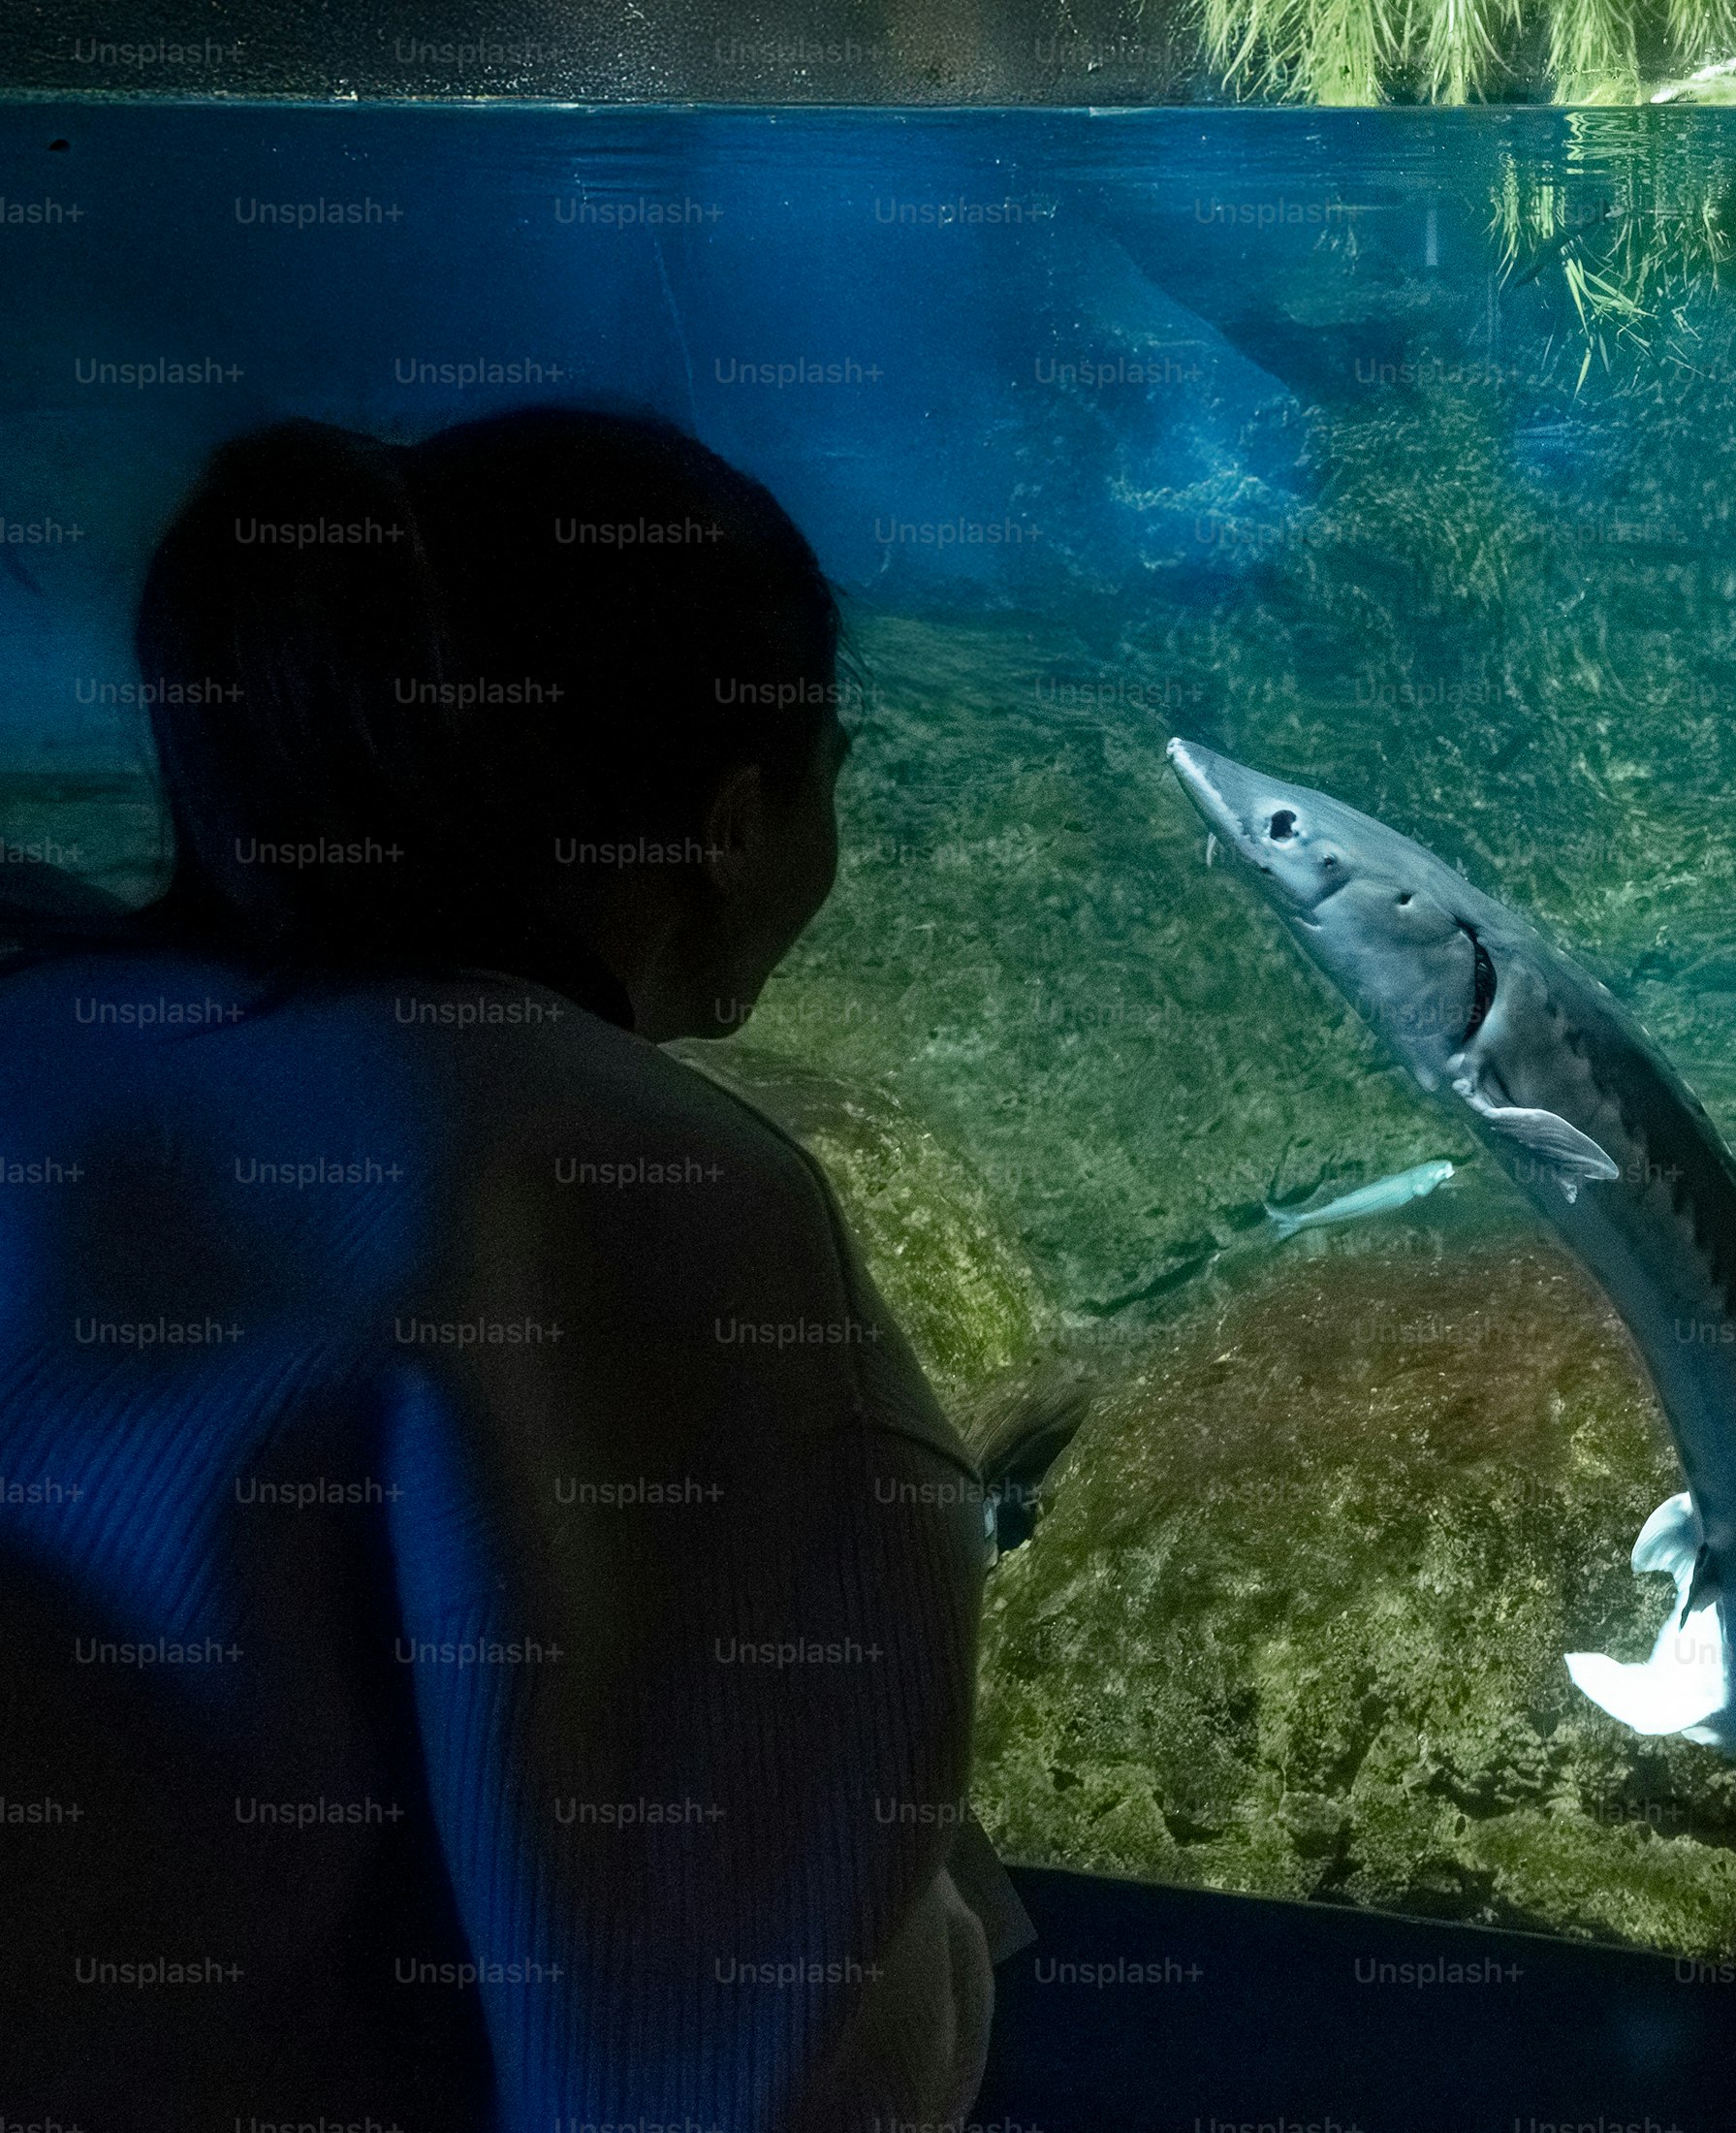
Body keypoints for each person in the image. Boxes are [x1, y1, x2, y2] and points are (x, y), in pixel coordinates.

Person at [0, 408, 1027, 2127]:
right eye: (830, 781)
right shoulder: (627, 1195)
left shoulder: (48, 1030)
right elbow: (735, 2086)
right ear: (729, 820)